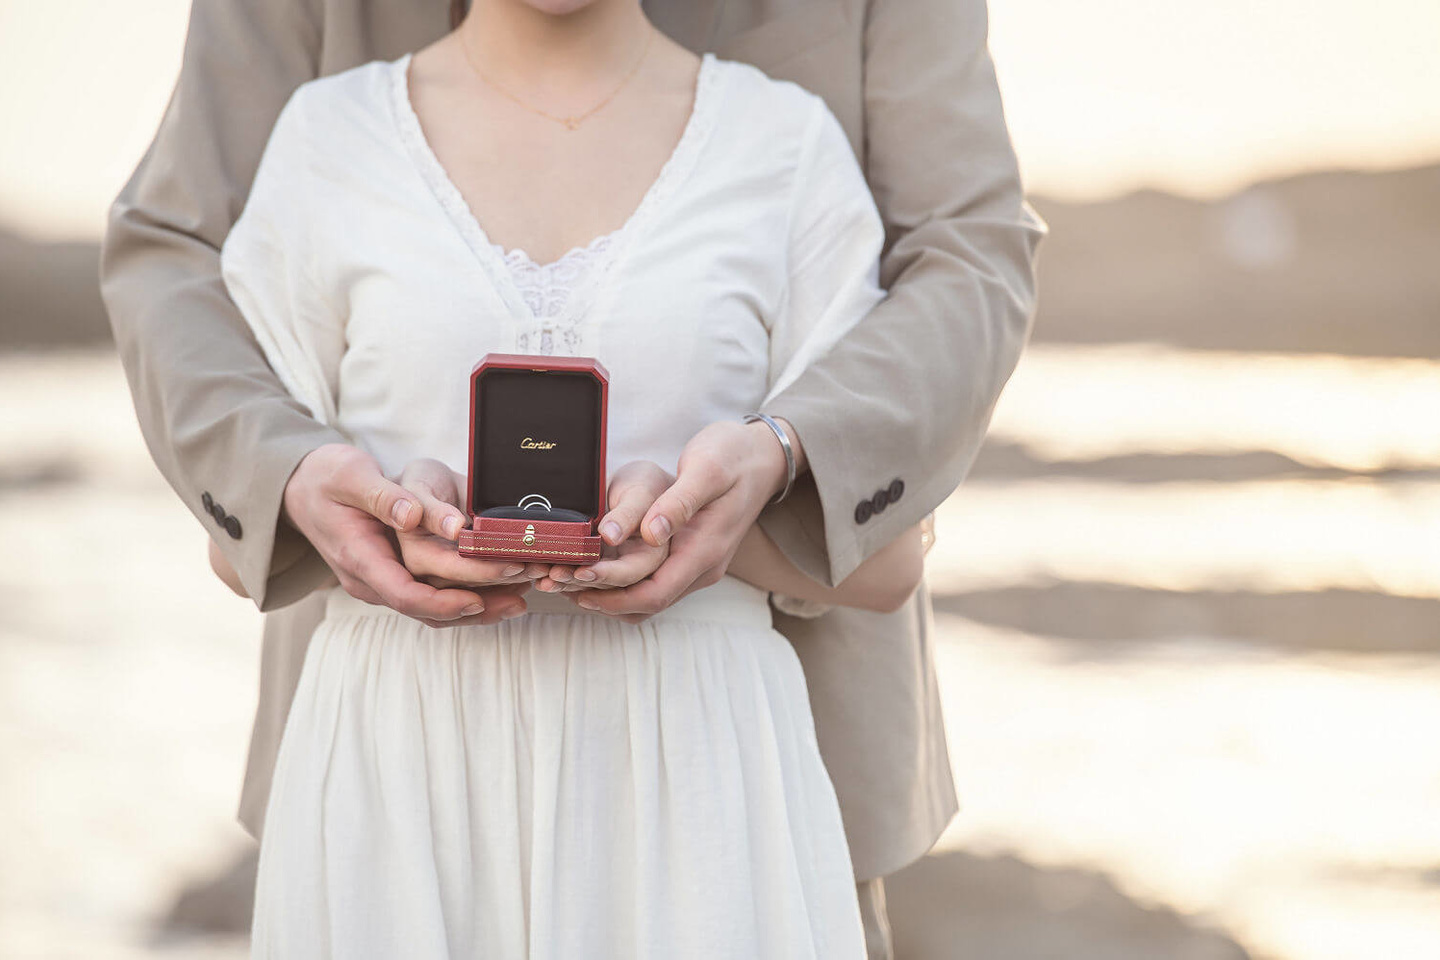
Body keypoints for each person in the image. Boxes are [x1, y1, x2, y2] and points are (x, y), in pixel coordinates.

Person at [100, 0, 1043, 956]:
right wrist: (324, 488)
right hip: (398, 767)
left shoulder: (785, 144)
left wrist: (756, 483)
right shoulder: (328, 139)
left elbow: (963, 282)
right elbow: (238, 464)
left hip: (708, 769)